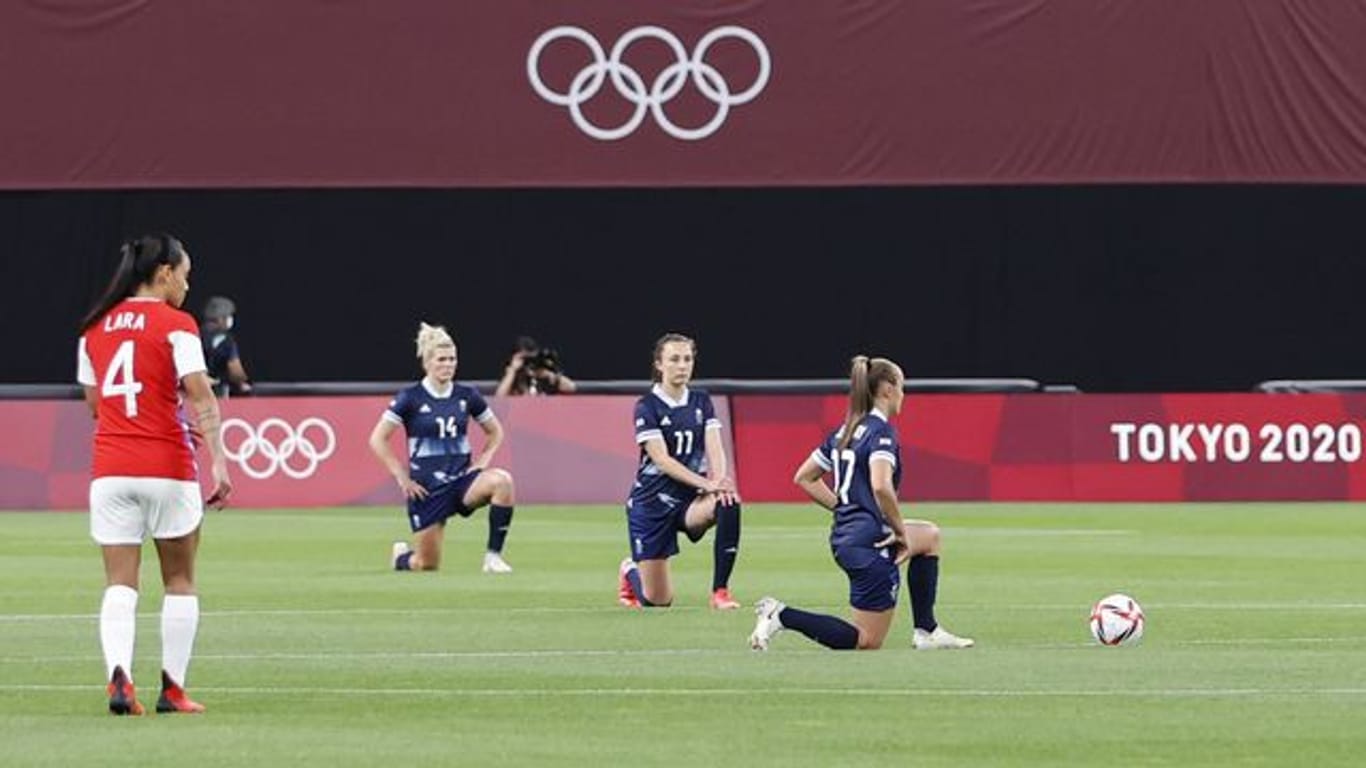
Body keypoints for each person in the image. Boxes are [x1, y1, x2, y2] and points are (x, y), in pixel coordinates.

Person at [76, 233, 233, 715]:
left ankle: (118, 679)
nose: (188, 281)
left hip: (111, 470)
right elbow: (199, 393)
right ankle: (173, 688)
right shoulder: (177, 324)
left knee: (120, 584)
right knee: (180, 581)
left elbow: (95, 407)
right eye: (185, 272)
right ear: (164, 272)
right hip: (166, 465)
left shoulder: (94, 327)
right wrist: (220, 460)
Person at [748, 355, 974, 651]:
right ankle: (781, 614)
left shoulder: (845, 431)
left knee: (929, 536)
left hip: (849, 535)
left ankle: (927, 630)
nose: (903, 394)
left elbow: (804, 477)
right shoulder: (882, 432)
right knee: (866, 640)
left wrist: (845, 507)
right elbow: (881, 485)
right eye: (902, 386)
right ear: (888, 390)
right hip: (869, 543)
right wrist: (899, 531)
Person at [368, 323, 517, 574]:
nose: (448, 364)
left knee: (503, 482)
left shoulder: (467, 395)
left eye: (452, 359)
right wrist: (402, 477)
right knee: (426, 565)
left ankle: (493, 558)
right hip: (428, 491)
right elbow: (377, 439)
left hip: (461, 483)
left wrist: (482, 461)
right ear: (427, 362)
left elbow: (495, 432)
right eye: (442, 359)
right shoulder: (410, 398)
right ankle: (402, 558)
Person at [617, 333, 743, 610]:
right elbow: (661, 459)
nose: (682, 365)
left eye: (687, 359)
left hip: (689, 502)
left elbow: (715, 447)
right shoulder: (647, 406)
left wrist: (718, 481)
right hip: (652, 504)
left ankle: (720, 592)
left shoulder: (701, 401)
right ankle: (630, 571)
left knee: (728, 500)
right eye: (674, 359)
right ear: (659, 364)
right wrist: (705, 483)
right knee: (658, 601)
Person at [199, 296, 252, 398]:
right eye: (228, 316)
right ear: (220, 318)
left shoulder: (193, 334)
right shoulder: (226, 340)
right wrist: (242, 383)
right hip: (217, 392)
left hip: (192, 388)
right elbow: (235, 370)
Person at [495, 335, 577, 396]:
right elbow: (499, 398)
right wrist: (512, 371)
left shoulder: (542, 375)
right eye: (525, 359)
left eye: (531, 358)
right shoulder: (511, 377)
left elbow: (571, 387)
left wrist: (549, 374)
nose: (528, 363)